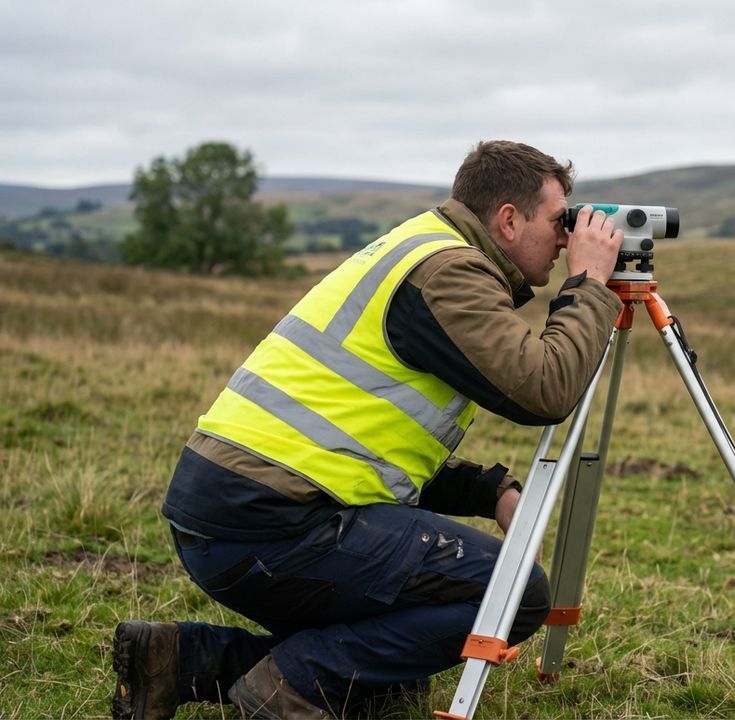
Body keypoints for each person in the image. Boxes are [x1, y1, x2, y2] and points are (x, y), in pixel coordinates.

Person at [110, 140, 625, 719]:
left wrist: (486, 490)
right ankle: (294, 686)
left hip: (231, 514)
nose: (567, 237)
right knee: (515, 593)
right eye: (560, 221)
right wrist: (589, 284)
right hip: (272, 526)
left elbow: (358, 441)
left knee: (387, 683)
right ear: (508, 219)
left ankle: (180, 659)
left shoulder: (418, 248)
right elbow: (546, 389)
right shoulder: (448, 275)